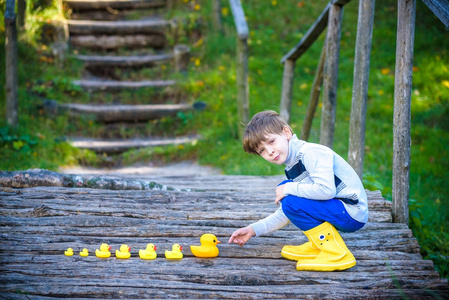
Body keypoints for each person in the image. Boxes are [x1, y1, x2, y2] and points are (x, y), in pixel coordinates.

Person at [228, 110, 368, 271]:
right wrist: (253, 230)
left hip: (352, 212)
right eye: (262, 151)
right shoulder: (293, 164)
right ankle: (319, 245)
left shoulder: (310, 153)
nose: (270, 151)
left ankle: (336, 253)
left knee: (290, 196)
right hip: (341, 209)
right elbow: (287, 211)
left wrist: (288, 188)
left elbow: (326, 190)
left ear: (286, 132)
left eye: (271, 141)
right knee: (290, 197)